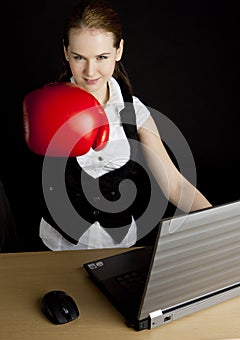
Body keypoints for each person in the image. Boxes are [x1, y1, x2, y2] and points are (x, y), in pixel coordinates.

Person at [25, 0, 212, 251]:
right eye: (79, 57)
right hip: (58, 247)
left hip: (119, 246)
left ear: (119, 51)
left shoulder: (133, 112)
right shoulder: (46, 105)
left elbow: (174, 184)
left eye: (102, 57)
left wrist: (220, 226)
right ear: (66, 52)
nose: (90, 71)